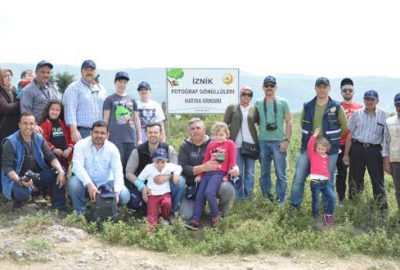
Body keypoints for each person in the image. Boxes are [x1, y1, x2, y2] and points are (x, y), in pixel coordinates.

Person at [290, 77, 347, 208]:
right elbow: (302, 124)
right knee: (299, 177)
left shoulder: (337, 107)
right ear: (315, 88)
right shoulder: (308, 106)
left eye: (324, 87)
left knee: (328, 179)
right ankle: (295, 205)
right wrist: (313, 140)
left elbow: (344, 127)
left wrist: (329, 141)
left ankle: (326, 207)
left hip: (329, 150)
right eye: (319, 87)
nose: (322, 89)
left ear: (329, 88)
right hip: (309, 148)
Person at [1, 112, 66, 209]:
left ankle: (58, 208)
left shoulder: (39, 138)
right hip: (16, 179)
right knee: (24, 192)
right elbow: (7, 168)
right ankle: (20, 201)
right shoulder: (10, 142)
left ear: (35, 125)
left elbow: (51, 156)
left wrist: (60, 170)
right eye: (25, 123)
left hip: (34, 176)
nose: (28, 127)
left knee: (59, 171)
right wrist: (20, 180)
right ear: (19, 125)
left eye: (31, 124)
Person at [178, 118, 236, 221]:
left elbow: (232, 161)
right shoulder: (185, 146)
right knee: (187, 214)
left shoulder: (224, 143)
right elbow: (184, 167)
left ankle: (218, 214)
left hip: (218, 174)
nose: (195, 131)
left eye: (198, 128)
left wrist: (230, 173)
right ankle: (196, 219)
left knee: (218, 190)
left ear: (204, 130)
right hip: (196, 182)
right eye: (192, 129)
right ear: (189, 131)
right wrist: (201, 171)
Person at [68, 121, 130, 215]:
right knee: (74, 183)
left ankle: (109, 209)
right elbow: (77, 167)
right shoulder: (80, 145)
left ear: (107, 135)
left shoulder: (112, 149)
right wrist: (89, 185)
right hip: (85, 184)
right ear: (91, 133)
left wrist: (116, 192)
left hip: (106, 184)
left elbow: (118, 172)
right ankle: (80, 212)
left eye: (102, 133)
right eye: (96, 132)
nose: (99, 135)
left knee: (124, 195)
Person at [126, 123, 185, 215]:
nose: (153, 134)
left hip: (165, 183)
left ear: (160, 133)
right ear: (146, 133)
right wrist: (142, 187)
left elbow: (175, 171)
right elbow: (129, 173)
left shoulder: (168, 149)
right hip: (145, 183)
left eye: (155, 132)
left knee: (180, 181)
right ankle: (150, 210)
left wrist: (165, 177)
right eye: (150, 132)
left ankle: (172, 211)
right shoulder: (138, 150)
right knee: (134, 202)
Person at [343, 90, 388, 211]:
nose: (369, 101)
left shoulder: (383, 115)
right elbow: (350, 135)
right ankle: (353, 207)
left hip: (374, 151)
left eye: (372, 99)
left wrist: (385, 157)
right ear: (364, 100)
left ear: (377, 101)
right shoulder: (356, 114)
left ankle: (382, 208)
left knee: (377, 179)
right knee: (355, 179)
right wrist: (346, 154)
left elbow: (385, 138)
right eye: (367, 99)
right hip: (357, 149)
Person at [254, 76, 292, 202]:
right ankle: (266, 197)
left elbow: (289, 121)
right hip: (263, 141)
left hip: (279, 142)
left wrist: (286, 140)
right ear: (263, 87)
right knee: (264, 172)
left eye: (272, 86)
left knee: (280, 173)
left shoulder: (283, 102)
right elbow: (253, 122)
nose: (269, 88)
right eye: (267, 86)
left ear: (276, 87)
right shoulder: (258, 103)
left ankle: (281, 199)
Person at [224, 86, 258, 200]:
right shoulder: (232, 107)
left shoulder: (254, 109)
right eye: (244, 94)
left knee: (250, 173)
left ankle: (249, 197)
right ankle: (238, 198)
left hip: (251, 145)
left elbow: (259, 123)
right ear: (240, 94)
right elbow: (224, 124)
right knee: (237, 172)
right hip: (235, 145)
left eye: (249, 94)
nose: (246, 96)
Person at [103, 71, 141, 171]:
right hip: (115, 138)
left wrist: (139, 138)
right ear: (115, 83)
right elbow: (105, 120)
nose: (122, 84)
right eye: (120, 82)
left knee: (130, 168)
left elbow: (137, 120)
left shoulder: (132, 99)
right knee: (117, 167)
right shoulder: (109, 99)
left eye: (124, 82)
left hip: (131, 139)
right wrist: (104, 137)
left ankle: (130, 186)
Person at [135, 148, 182, 228]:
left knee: (167, 203)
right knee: (151, 218)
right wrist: (143, 187)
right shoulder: (149, 168)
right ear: (153, 161)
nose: (160, 164)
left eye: (163, 162)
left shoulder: (168, 166)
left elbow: (179, 167)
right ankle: (151, 230)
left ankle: (164, 218)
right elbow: (138, 180)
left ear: (166, 161)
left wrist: (176, 175)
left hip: (165, 193)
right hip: (152, 195)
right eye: (157, 162)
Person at [64, 60, 107, 142]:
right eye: (86, 70)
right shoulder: (74, 88)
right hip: (82, 132)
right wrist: (73, 131)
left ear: (95, 72)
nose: (89, 72)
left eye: (91, 70)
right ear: (81, 72)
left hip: (100, 133)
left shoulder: (102, 89)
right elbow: (70, 110)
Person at [335, 78, 362, 203]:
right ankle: (341, 199)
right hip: (340, 144)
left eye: (350, 90)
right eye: (344, 90)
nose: (347, 92)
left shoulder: (360, 107)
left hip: (356, 145)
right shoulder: (336, 107)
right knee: (341, 173)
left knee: (355, 174)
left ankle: (353, 199)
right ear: (341, 92)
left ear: (354, 91)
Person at [307, 128, 335, 226]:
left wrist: (328, 175)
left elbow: (325, 169)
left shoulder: (326, 157)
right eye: (318, 148)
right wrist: (314, 135)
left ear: (326, 149)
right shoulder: (313, 154)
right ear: (315, 148)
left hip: (325, 183)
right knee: (316, 200)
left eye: (323, 149)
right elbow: (310, 145)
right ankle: (315, 215)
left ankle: (328, 214)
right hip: (315, 182)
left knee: (332, 197)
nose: (320, 151)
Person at [0, 68, 21, 194]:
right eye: (5, 75)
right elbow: (7, 109)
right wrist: (20, 100)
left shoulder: (13, 90)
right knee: (3, 159)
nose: (8, 78)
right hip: (3, 131)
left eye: (10, 75)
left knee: (13, 158)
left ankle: (13, 188)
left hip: (14, 130)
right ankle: (3, 190)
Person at [39, 100, 74, 170]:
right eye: (52, 109)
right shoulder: (44, 124)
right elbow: (43, 140)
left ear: (61, 112)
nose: (54, 112)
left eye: (57, 110)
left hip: (66, 156)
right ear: (48, 110)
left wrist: (69, 149)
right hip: (53, 158)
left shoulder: (65, 123)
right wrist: (53, 149)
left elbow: (71, 137)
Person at [383, 93, 400, 218]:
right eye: (398, 104)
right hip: (395, 160)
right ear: (395, 106)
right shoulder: (389, 122)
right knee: (398, 190)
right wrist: (386, 161)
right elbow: (385, 142)